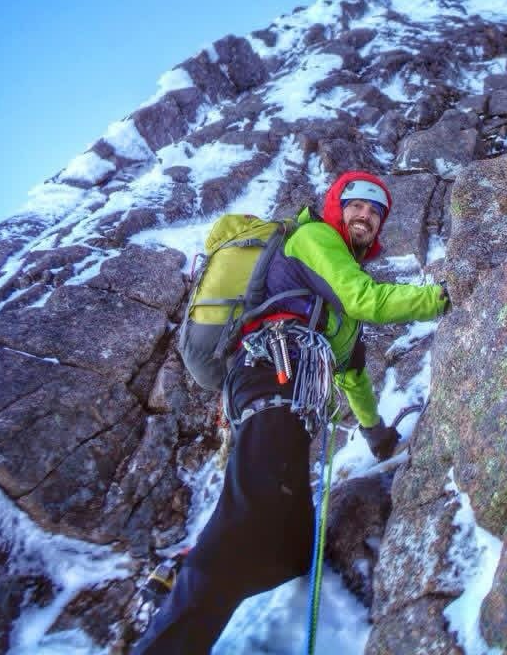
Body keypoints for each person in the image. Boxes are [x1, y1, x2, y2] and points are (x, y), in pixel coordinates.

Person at [132, 170, 448, 654]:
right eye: (357, 204)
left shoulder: (332, 303)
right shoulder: (315, 239)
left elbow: (352, 373)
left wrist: (377, 434)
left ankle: (189, 566)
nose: (366, 215)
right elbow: (367, 301)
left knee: (292, 552)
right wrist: (442, 298)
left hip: (287, 403)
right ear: (336, 208)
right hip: (269, 380)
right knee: (249, 524)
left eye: (376, 211)